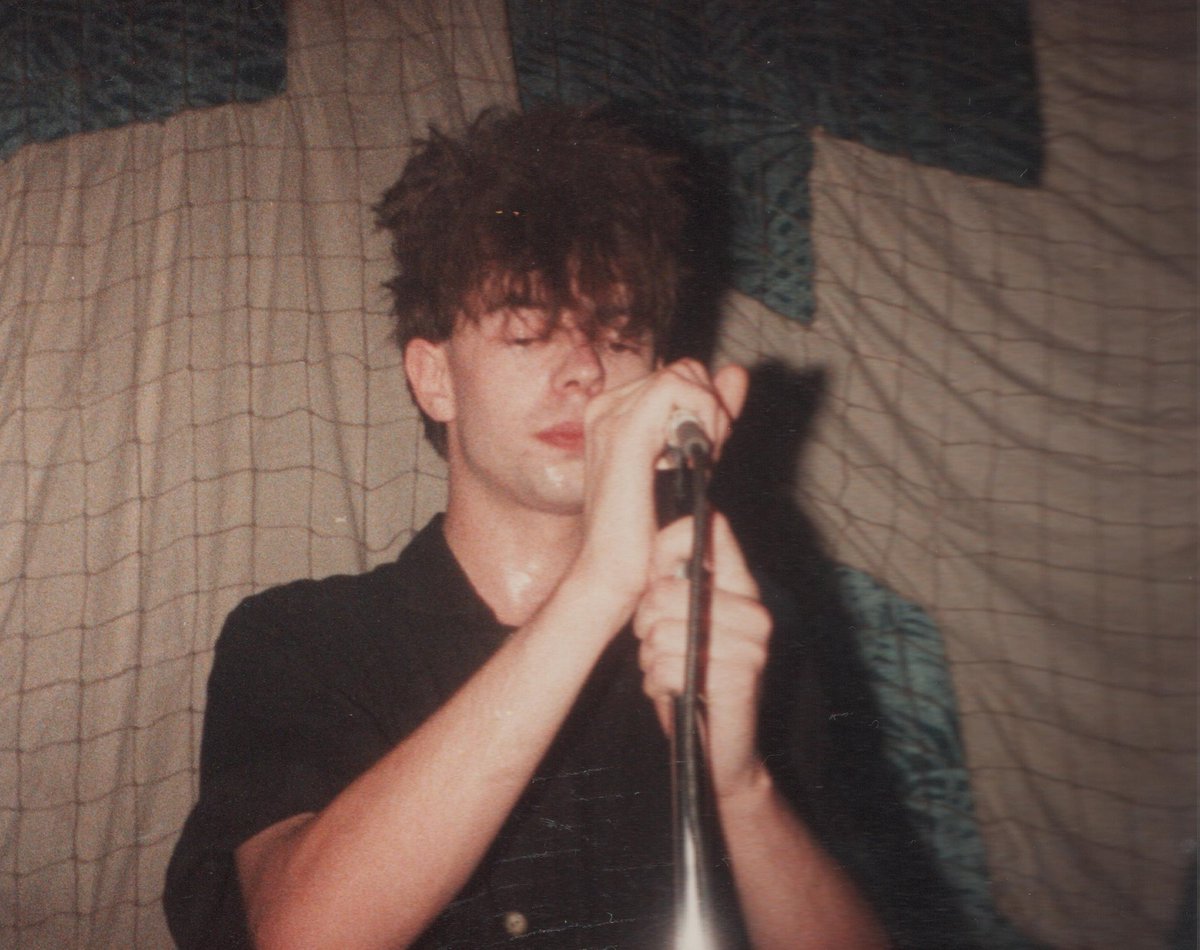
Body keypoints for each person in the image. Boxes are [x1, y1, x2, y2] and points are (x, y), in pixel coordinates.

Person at [164, 106, 889, 949]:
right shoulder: (303, 637)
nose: (582, 367)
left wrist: (742, 785)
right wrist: (600, 586)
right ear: (434, 379)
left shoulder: (735, 637)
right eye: (526, 327)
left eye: (617, 332)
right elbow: (299, 935)